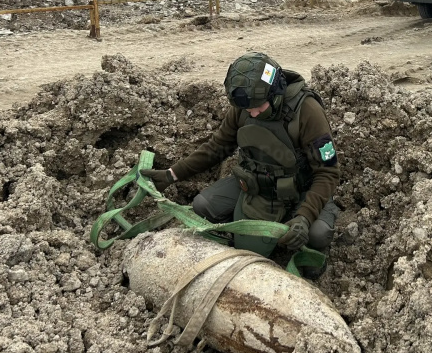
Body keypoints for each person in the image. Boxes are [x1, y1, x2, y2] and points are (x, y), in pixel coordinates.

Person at [141, 52, 340, 274]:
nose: (252, 113)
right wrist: (172, 174)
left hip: (302, 189)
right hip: (258, 186)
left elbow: (327, 173)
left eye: (258, 108)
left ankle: (305, 228)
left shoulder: (308, 111)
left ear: (276, 94)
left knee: (316, 235)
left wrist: (305, 216)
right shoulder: (245, 104)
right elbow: (217, 147)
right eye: (247, 110)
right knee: (202, 206)